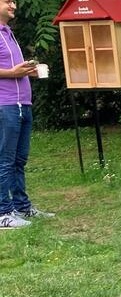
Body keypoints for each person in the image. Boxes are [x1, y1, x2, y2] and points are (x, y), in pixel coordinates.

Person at [0, 0, 54, 230]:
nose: (13, 5)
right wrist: (12, 72)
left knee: (19, 160)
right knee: (4, 161)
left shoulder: (8, 32)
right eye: (7, 1)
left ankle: (22, 206)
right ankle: (3, 213)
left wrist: (26, 72)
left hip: (23, 104)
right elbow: (9, 71)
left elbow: (12, 69)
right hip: (6, 105)